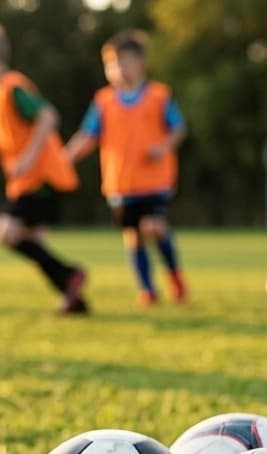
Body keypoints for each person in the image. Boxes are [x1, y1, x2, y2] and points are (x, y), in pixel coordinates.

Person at [0, 19, 90, 314]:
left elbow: (48, 116)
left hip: (43, 176)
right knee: (29, 241)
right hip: (25, 181)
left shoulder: (13, 87)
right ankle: (72, 296)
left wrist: (26, 158)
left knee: (5, 232)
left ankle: (69, 276)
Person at [65, 31, 188, 307]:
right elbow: (88, 135)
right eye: (111, 65)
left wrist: (162, 146)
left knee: (153, 227)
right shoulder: (104, 101)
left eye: (124, 63)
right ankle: (147, 289)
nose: (118, 70)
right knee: (133, 236)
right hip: (120, 183)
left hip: (155, 180)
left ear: (141, 63)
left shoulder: (158, 96)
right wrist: (66, 156)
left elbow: (178, 128)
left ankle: (176, 277)